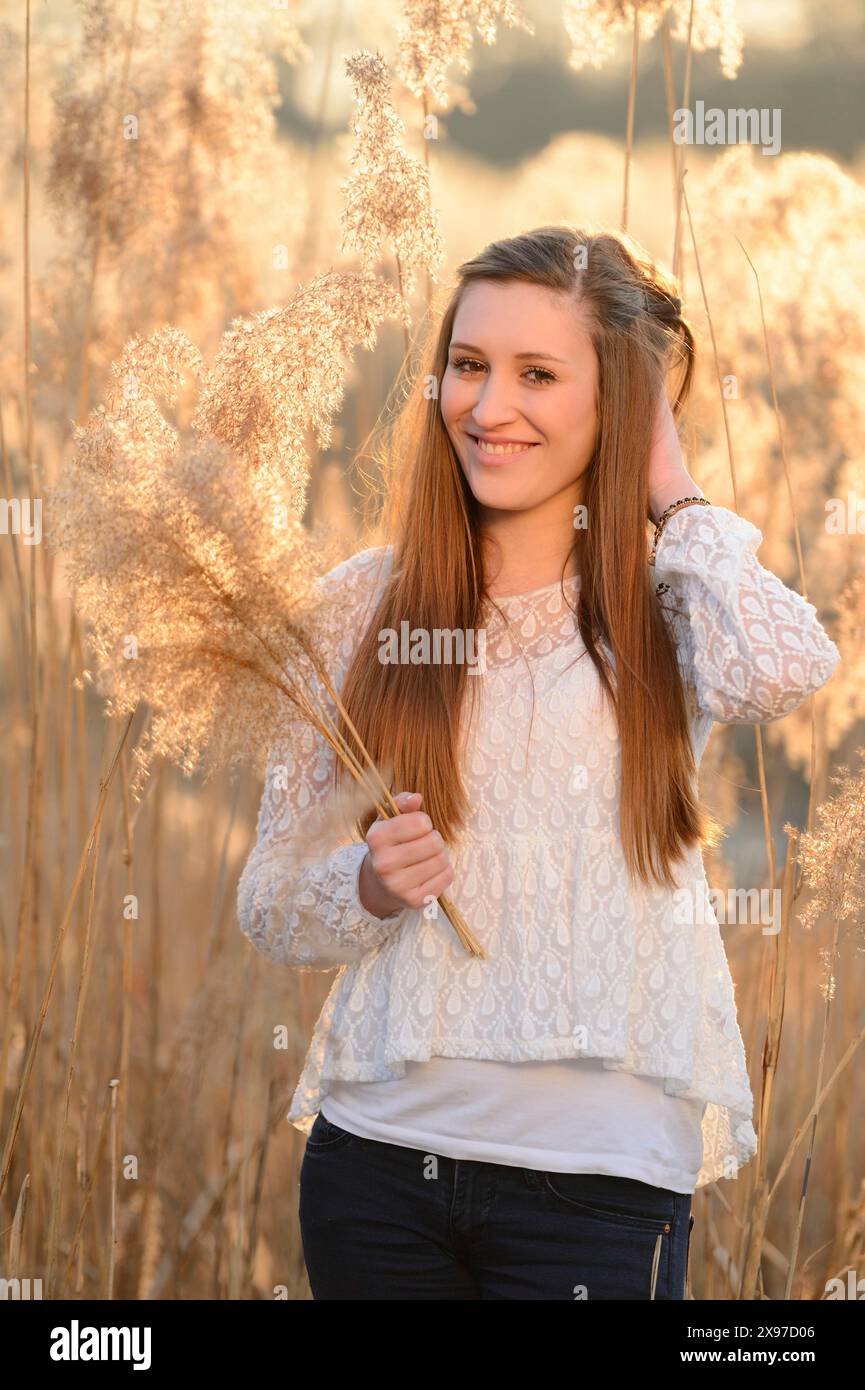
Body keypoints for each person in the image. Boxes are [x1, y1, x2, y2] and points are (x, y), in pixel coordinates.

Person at [236, 226, 840, 1300]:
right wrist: (369, 886)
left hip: (600, 1192)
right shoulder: (361, 606)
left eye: (539, 374)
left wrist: (665, 476)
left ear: (617, 397)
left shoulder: (668, 607)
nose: (487, 405)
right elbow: (271, 902)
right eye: (468, 366)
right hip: (379, 1171)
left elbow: (786, 667)